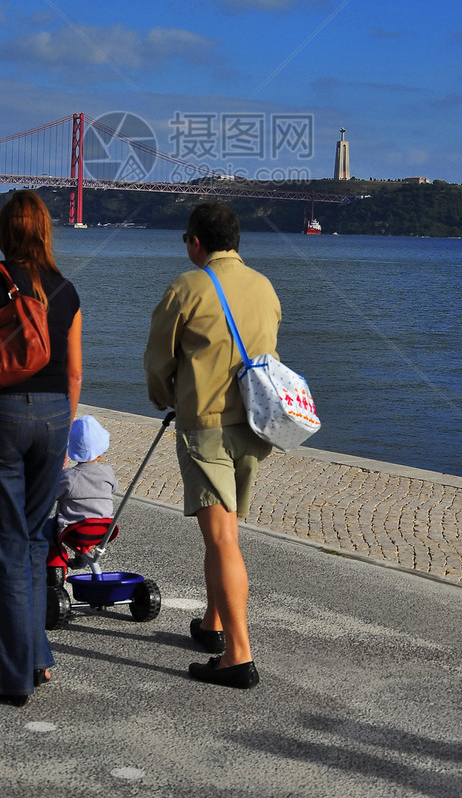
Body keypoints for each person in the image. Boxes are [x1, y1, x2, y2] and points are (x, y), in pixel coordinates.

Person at [143, 202, 281, 689]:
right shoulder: (265, 287)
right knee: (226, 531)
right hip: (256, 426)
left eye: (186, 239)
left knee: (221, 538)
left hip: (206, 426)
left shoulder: (187, 287)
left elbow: (159, 361)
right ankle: (212, 624)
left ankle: (237, 658)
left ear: (196, 242)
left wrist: (165, 397)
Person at [0, 189, 81, 707]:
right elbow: (74, 370)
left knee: (9, 546)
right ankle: (37, 658)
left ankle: (14, 682)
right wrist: (62, 420)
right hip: (55, 416)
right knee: (34, 539)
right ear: (46, 232)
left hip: (1, 415)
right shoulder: (67, 289)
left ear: (6, 232)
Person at [47, 416, 118, 571]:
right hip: (103, 530)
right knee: (87, 517)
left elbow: (49, 496)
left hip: (74, 531)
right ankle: (81, 559)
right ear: (100, 452)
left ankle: (56, 562)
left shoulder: (68, 477)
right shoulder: (108, 472)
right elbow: (113, 489)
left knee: (45, 530)